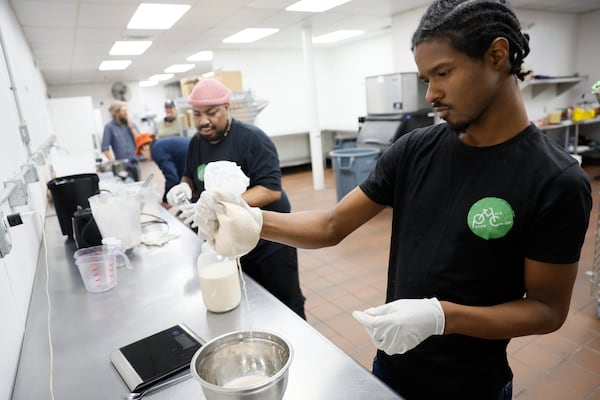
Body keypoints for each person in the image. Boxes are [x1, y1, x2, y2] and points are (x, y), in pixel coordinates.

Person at [188, 1, 593, 399]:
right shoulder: (415, 150)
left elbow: (547, 309)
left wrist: (442, 317)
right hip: (391, 368)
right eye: (425, 79)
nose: (432, 93)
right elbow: (332, 225)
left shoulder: (555, 181)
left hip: (471, 385)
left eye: (443, 73)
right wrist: (252, 221)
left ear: (497, 55)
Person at [165, 78, 306, 319]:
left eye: (211, 113)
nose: (203, 121)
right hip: (229, 242)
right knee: (247, 302)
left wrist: (219, 204)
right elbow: (190, 174)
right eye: (197, 114)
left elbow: (270, 190)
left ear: (227, 108)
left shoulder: (253, 139)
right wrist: (184, 187)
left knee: (283, 302)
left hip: (267, 240)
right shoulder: (197, 143)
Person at [135, 133, 191, 206]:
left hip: (196, 157)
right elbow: (178, 175)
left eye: (142, 154)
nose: (144, 157)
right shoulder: (160, 145)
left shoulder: (156, 150)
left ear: (144, 148)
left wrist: (166, 201)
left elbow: (172, 178)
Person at [102, 101, 141, 181]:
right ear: (116, 113)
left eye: (126, 111)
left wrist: (131, 127)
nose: (126, 113)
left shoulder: (131, 124)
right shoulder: (109, 127)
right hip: (122, 166)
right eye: (124, 111)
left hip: (135, 163)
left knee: (138, 186)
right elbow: (105, 148)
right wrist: (114, 163)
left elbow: (139, 140)